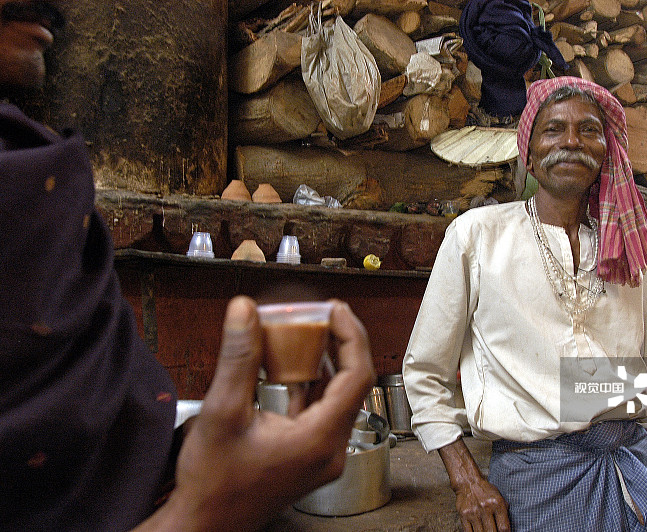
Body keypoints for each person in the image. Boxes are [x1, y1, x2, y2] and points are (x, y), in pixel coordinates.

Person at [0, 1, 375, 530]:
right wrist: (203, 511)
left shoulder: (39, 179)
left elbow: (76, 454)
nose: (53, 7)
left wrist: (199, 448)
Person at [403, 76, 647, 532]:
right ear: (529, 153)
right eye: (554, 129)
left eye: (589, 130)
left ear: (606, 152)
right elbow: (424, 374)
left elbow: (646, 393)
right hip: (535, 482)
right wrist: (466, 481)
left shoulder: (625, 249)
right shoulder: (477, 237)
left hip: (632, 474)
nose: (572, 142)